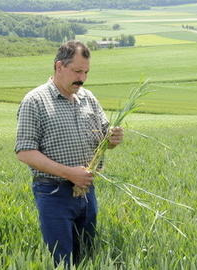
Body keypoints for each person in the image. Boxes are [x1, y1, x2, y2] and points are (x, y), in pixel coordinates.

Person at [15, 40, 123, 267]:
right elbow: (25, 151)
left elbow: (104, 139)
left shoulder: (88, 98)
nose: (82, 78)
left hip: (86, 193)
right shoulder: (35, 101)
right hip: (53, 194)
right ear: (59, 67)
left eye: (86, 72)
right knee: (62, 261)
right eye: (77, 71)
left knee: (87, 257)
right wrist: (69, 173)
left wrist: (112, 139)